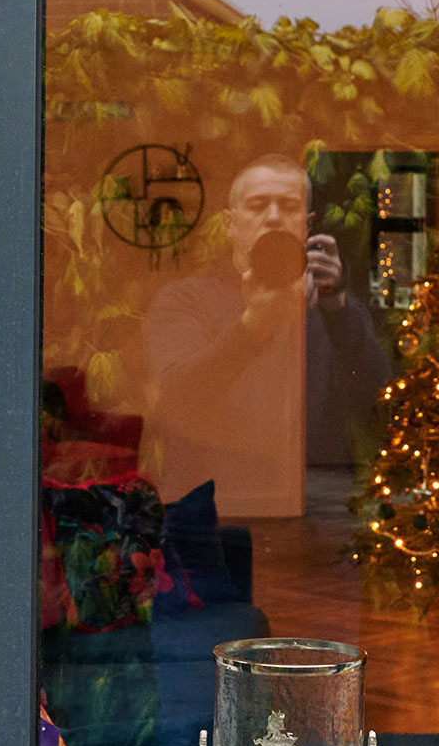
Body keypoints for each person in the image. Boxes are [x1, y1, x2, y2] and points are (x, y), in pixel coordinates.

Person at [145, 154, 391, 520]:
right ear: (230, 223)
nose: (273, 217)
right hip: (211, 516)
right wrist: (252, 327)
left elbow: (382, 401)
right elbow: (174, 401)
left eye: (289, 206)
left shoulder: (331, 310)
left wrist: (338, 305)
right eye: (258, 205)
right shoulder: (186, 300)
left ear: (307, 225)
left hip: (318, 513)